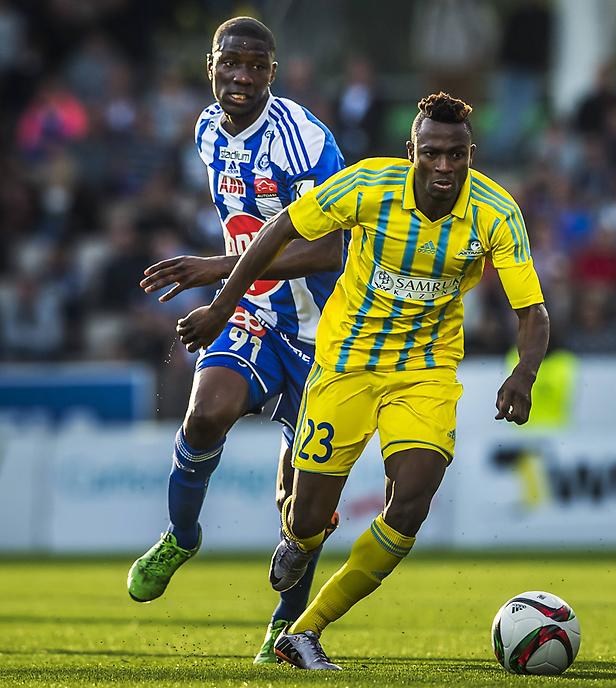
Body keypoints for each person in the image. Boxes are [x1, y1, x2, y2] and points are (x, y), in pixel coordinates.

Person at [177, 92, 550, 670]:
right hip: (346, 365)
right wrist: (222, 306)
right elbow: (279, 230)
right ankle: (299, 540)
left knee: (412, 501)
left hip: (425, 373)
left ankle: (306, 630)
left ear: (471, 154)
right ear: (411, 151)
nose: (444, 166)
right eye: (432, 153)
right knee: (307, 520)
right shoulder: (368, 186)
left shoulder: (495, 213)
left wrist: (524, 373)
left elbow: (533, 311)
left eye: (456, 155)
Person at [125, 17, 347, 665]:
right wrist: (230, 289)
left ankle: (286, 625)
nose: (241, 76)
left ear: (272, 73)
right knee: (205, 413)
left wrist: (215, 271)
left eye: (255, 66)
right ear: (211, 66)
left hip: (322, 332)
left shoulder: (304, 141)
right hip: (253, 313)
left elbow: (328, 249)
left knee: (301, 505)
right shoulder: (206, 131)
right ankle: (180, 535)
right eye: (230, 63)